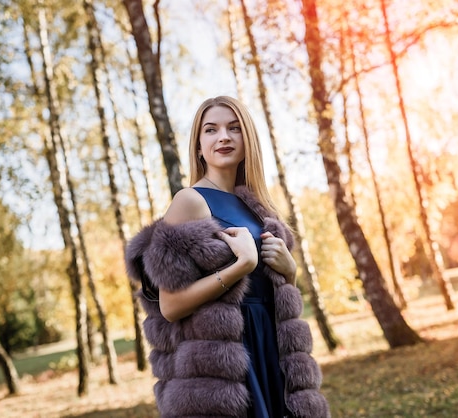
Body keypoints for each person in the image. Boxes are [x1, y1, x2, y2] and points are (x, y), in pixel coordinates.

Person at [125, 96, 330, 418]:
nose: (223, 137)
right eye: (211, 130)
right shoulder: (190, 201)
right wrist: (240, 267)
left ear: (247, 140)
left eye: (234, 128)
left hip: (272, 351)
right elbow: (170, 305)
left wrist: (289, 272)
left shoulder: (260, 207)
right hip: (227, 362)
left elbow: (269, 291)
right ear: (198, 146)